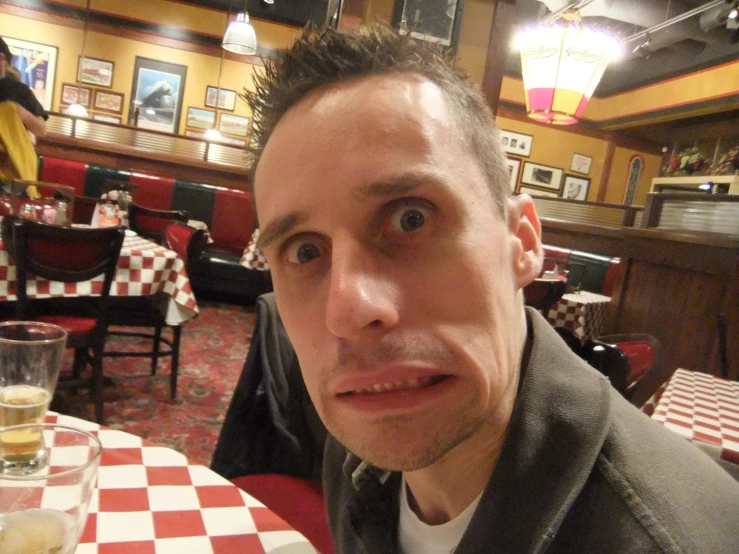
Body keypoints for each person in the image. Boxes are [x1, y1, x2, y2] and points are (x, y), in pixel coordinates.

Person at [245, 24, 739, 554]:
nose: (349, 308)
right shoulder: (364, 436)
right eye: (304, 251)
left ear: (522, 242)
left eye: (410, 219)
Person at [0, 37, 47, 138]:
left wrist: (20, 112)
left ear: (6, 61)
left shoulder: (20, 90)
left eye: (0, 57)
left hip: (9, 152)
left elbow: (41, 130)